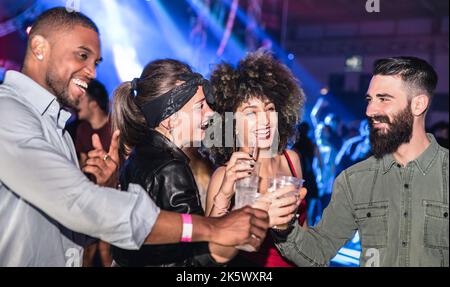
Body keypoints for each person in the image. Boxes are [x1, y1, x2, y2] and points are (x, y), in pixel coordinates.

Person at [0, 7, 269, 267]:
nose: (92, 73)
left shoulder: (57, 130)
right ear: (39, 48)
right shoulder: (7, 114)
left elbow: (76, 229)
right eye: (82, 56)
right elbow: (78, 204)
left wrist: (104, 190)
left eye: (95, 63)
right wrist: (213, 227)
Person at [272, 56, 449, 267]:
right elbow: (317, 252)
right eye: (369, 100)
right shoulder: (354, 181)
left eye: (384, 99)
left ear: (418, 104)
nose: (370, 111)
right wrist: (284, 227)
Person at [110, 59, 242, 266]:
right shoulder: (171, 169)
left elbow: (190, 238)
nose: (211, 113)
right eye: (200, 106)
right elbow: (193, 262)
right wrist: (248, 218)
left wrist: (223, 195)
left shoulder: (140, 155)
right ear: (169, 118)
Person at [205, 51, 307, 267]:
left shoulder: (291, 160)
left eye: (269, 109)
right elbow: (210, 253)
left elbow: (303, 237)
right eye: (251, 113)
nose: (265, 121)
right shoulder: (225, 176)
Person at [292, 122, 320, 226]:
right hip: (310, 177)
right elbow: (316, 162)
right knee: (309, 209)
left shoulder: (296, 145)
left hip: (300, 176)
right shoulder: (311, 144)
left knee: (301, 207)